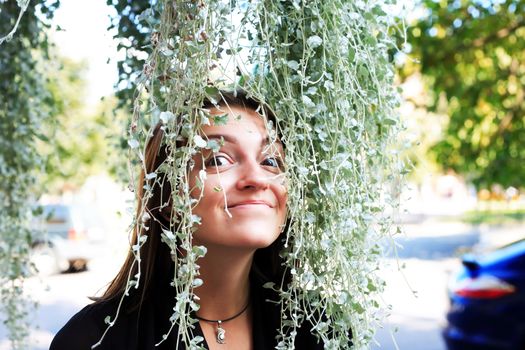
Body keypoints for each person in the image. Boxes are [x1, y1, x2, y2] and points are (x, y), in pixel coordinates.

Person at [49, 91, 326, 349]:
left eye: (271, 162)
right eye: (218, 159)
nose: (257, 178)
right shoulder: (94, 341)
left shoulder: (322, 330)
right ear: (169, 200)